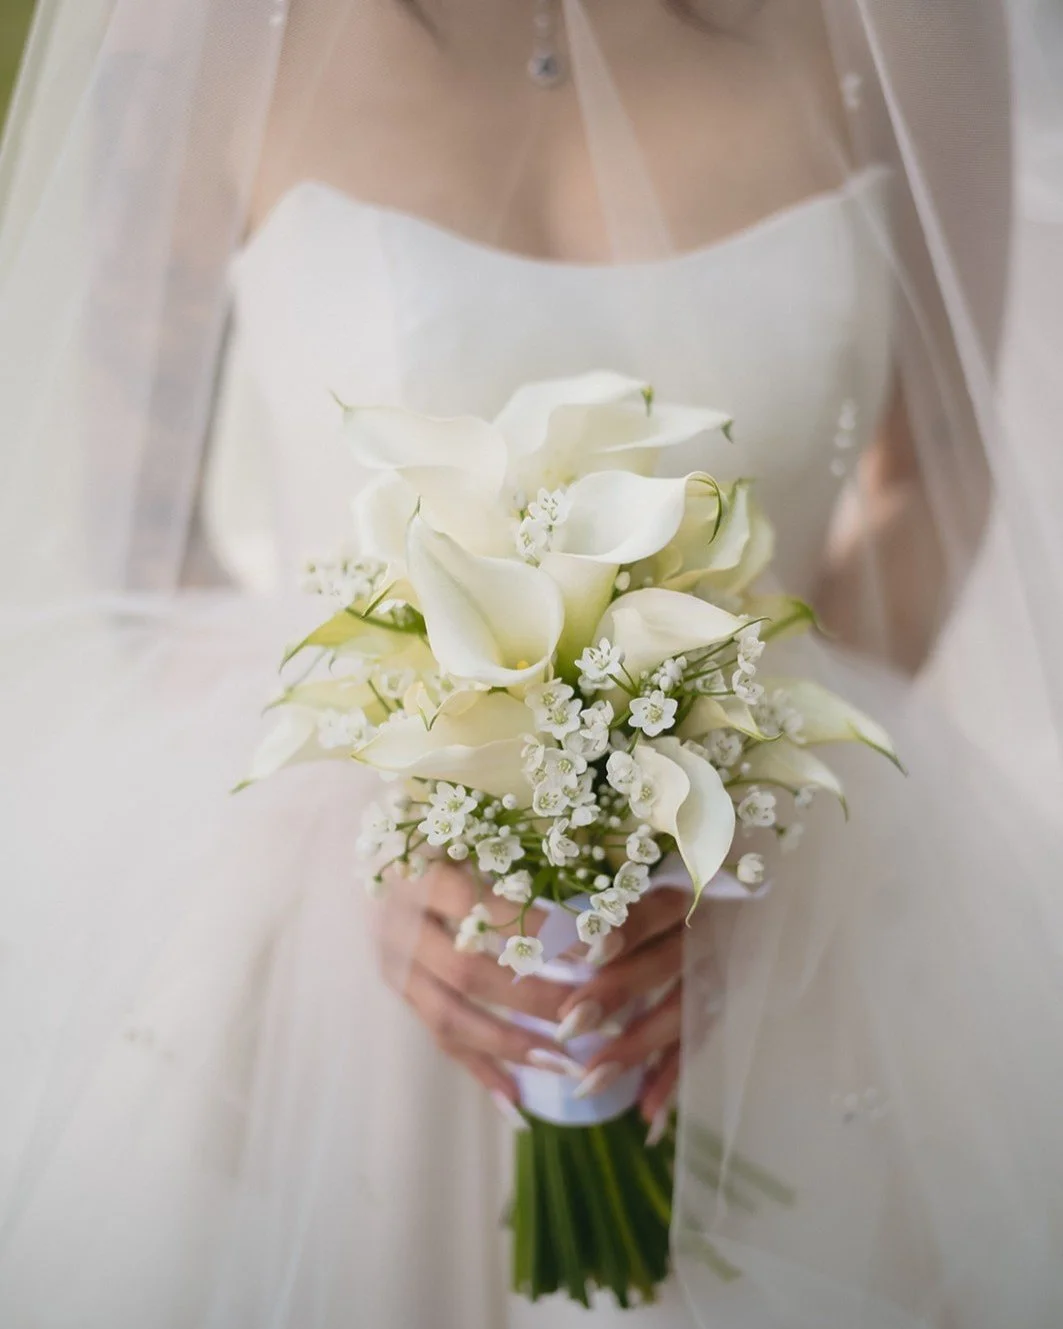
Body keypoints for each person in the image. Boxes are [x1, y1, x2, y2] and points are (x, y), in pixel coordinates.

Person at [1, 1, 1062, 1326]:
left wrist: (738, 809)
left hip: (778, 929)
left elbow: (936, 480)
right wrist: (386, 844)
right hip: (337, 955)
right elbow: (139, 543)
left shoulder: (906, 24)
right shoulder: (207, 30)